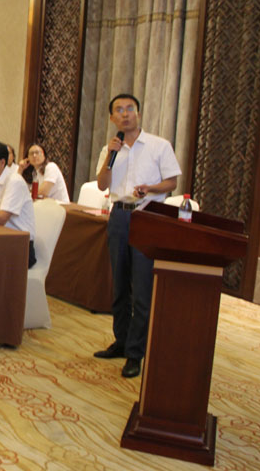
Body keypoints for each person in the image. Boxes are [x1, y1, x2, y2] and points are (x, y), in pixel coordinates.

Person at [93, 93, 181, 379]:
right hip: (118, 216)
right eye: (118, 110)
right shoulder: (110, 149)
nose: (125, 114)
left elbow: (172, 181)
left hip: (147, 217)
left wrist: (151, 188)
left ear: (138, 113)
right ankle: (121, 341)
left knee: (141, 287)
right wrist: (110, 157)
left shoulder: (159, 145)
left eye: (130, 108)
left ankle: (135, 352)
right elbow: (102, 184)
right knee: (119, 284)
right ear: (112, 118)